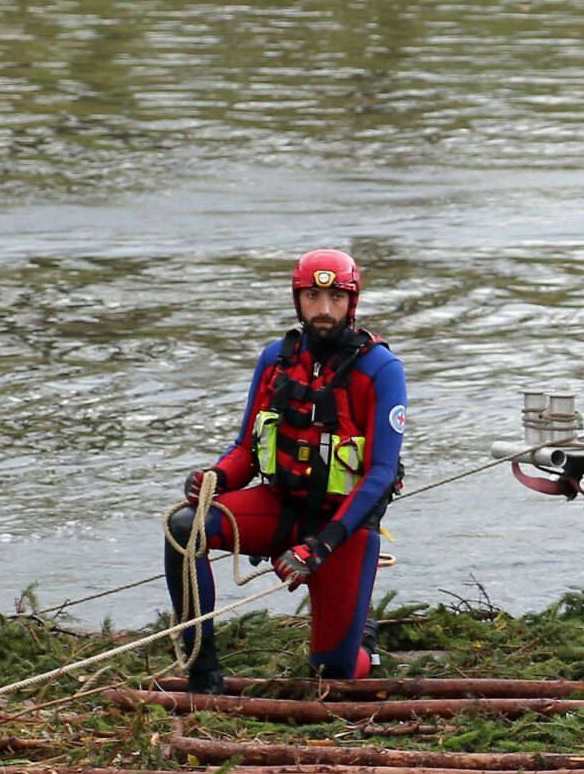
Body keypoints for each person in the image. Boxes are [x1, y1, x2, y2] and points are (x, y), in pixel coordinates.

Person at [164, 249, 407, 693]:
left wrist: (318, 547)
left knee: (332, 677)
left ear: (352, 303)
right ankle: (204, 670)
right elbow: (245, 451)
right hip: (280, 508)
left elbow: (380, 476)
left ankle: (363, 641)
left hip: (339, 531)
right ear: (298, 299)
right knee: (185, 527)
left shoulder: (381, 370)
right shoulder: (276, 359)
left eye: (336, 297)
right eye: (313, 296)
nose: (324, 310)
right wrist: (215, 478)